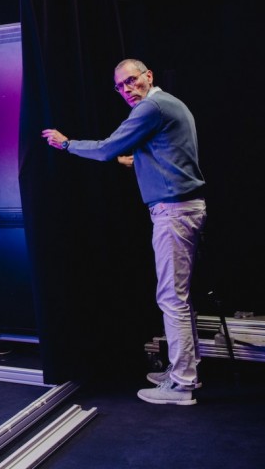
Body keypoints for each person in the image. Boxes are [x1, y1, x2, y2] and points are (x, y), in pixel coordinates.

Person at [41, 58, 207, 406]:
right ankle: (185, 371)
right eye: (120, 86)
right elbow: (169, 154)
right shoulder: (170, 104)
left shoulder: (152, 107)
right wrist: (130, 160)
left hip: (173, 212)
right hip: (185, 208)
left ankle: (182, 385)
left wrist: (66, 144)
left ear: (148, 76)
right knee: (180, 297)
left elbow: (105, 148)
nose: (127, 90)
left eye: (132, 81)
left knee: (171, 299)